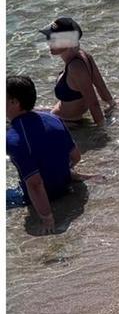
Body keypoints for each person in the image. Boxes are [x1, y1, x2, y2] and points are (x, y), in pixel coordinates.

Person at [6, 76, 81, 234]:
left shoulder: (14, 138)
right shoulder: (54, 119)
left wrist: (47, 217)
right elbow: (75, 157)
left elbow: (35, 184)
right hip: (65, 185)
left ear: (14, 102)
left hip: (45, 196)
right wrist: (60, 171)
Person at [42, 17, 114, 126]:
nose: (48, 42)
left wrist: (101, 131)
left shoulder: (76, 68)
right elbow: (101, 88)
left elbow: (93, 103)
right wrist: (112, 104)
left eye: (52, 38)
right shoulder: (84, 56)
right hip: (61, 116)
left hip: (68, 123)